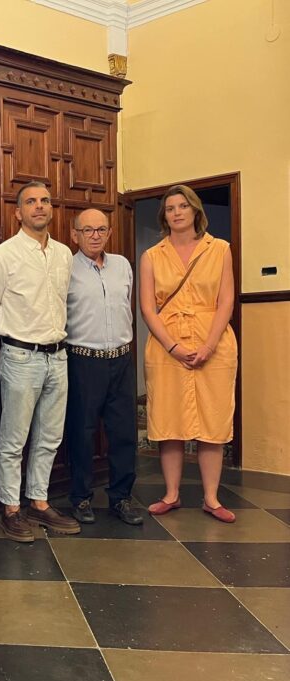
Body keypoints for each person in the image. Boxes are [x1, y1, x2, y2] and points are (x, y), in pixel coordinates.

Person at [0, 181, 80, 541]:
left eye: (44, 201)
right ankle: (11, 508)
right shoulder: (0, 257)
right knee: (14, 439)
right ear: (17, 212)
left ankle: (39, 502)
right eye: (30, 202)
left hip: (58, 355)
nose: (39, 207)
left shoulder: (64, 254)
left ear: (51, 209)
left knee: (50, 437)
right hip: (20, 355)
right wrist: (1, 357)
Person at [139, 184, 237, 522]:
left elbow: (226, 300)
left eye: (183, 206)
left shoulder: (219, 249)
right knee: (170, 420)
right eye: (170, 208)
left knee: (213, 419)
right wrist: (173, 346)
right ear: (164, 216)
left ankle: (211, 498)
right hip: (167, 346)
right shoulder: (152, 255)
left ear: (196, 210)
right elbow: (148, 309)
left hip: (214, 342)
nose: (177, 212)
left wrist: (209, 345)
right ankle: (171, 494)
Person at [65, 209, 143, 526]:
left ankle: (121, 498)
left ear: (109, 233)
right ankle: (81, 498)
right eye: (88, 230)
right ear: (75, 235)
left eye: (101, 229)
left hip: (122, 359)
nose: (95, 235)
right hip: (83, 360)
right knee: (82, 433)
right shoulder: (65, 268)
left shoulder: (123, 265)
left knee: (124, 433)